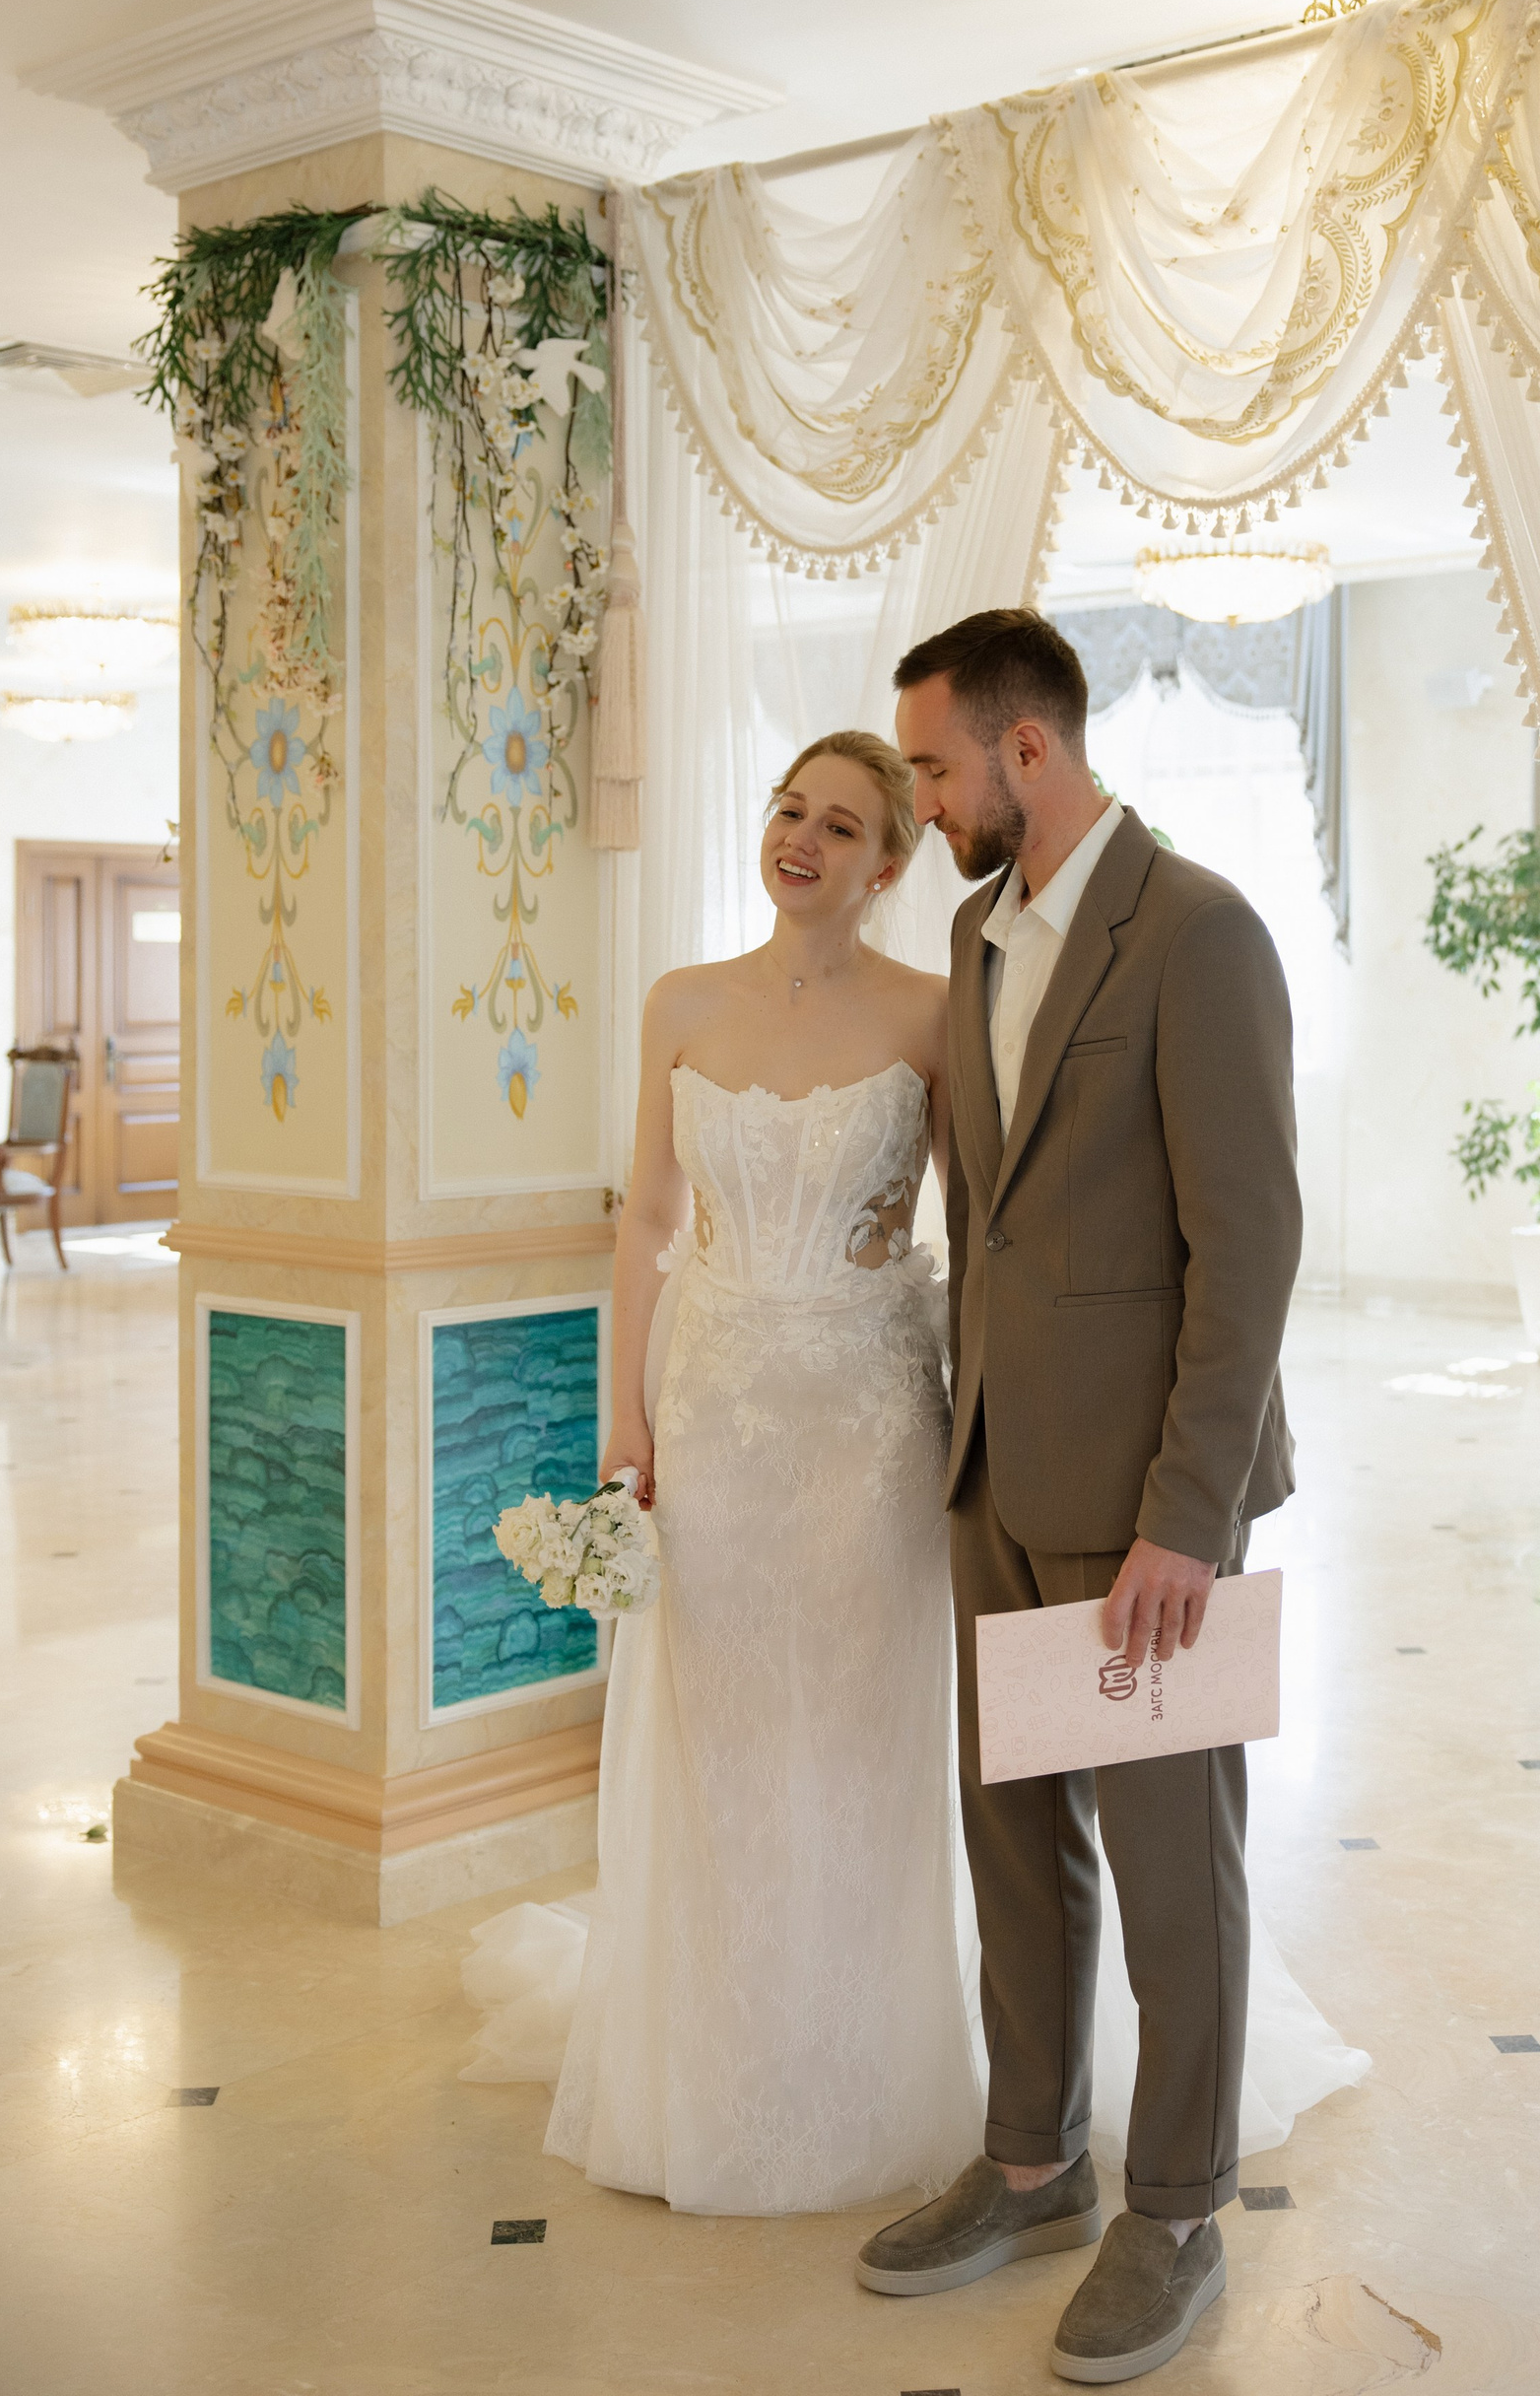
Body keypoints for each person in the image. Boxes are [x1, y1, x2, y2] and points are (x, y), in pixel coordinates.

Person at [866, 609, 1304, 2384]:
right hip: (994, 1470)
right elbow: (991, 1221)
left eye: (933, 769)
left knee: (1171, 1866)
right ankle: (1034, 2163)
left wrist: (1189, 1514)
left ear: (1026, 749)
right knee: (1017, 1845)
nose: (922, 804)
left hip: (1145, 1499)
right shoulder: (973, 934)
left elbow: (1249, 1248)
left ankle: (1177, 2212)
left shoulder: (1199, 931)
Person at [471, 729, 984, 2213]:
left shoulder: (936, 1014)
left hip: (871, 1425)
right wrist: (625, 1419)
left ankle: (861, 2072)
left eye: (841, 825)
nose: (800, 840)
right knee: (724, 1737)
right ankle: (719, 2065)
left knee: (857, 1740)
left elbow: (978, 1225)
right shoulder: (682, 1002)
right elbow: (645, 1221)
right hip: (709, 1413)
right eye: (787, 810)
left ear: (889, 864)